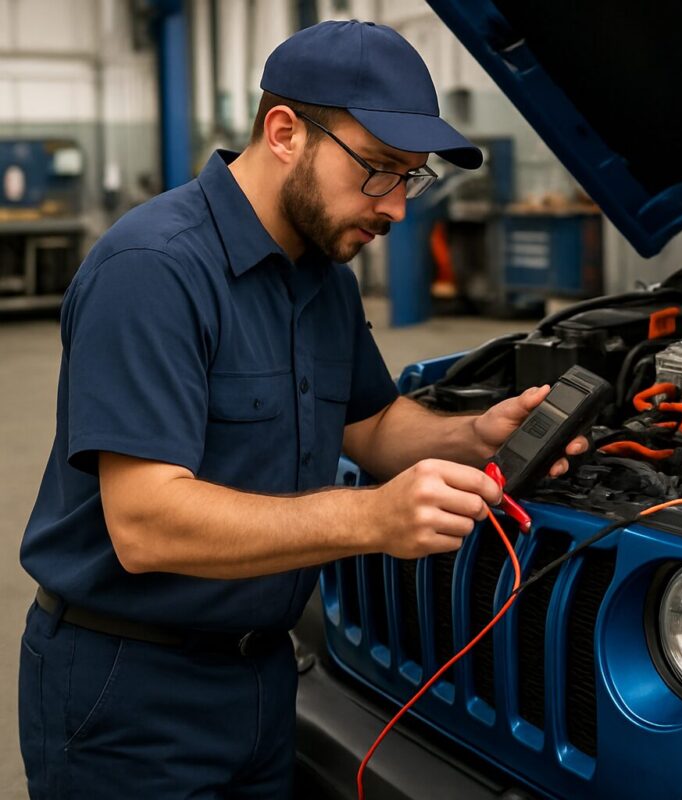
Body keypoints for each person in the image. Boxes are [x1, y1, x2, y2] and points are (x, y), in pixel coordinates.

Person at [17, 20, 586, 798]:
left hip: (262, 675)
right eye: (378, 170)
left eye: (411, 178)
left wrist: (475, 435)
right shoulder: (153, 270)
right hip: (131, 690)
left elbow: (371, 425)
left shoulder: (322, 277)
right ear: (284, 132)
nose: (397, 209)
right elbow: (146, 524)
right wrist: (372, 518)